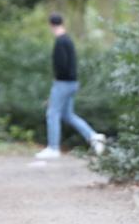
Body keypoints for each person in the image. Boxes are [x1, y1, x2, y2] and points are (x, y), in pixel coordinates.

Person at [34, 13, 106, 159]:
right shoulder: (68, 40)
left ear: (51, 25)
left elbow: (61, 66)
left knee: (52, 113)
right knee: (68, 115)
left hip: (63, 83)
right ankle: (94, 136)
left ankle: (53, 148)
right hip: (72, 83)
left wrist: (57, 86)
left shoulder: (60, 42)